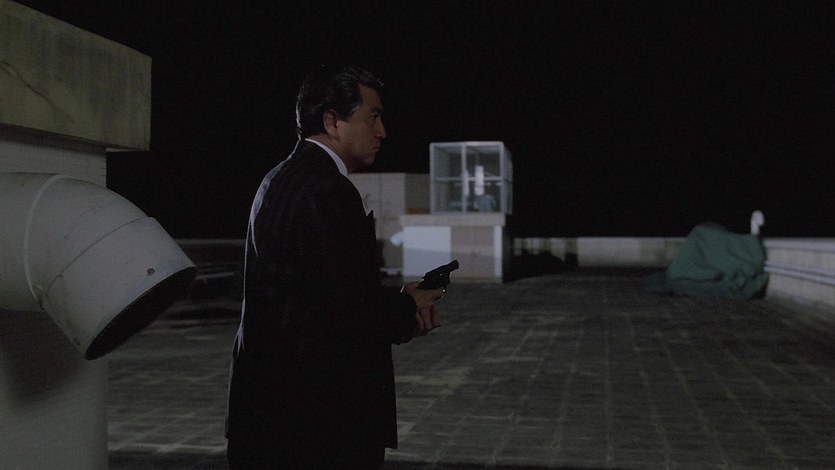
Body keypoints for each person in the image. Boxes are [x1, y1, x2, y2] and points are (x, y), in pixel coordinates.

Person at [225, 65, 444, 469]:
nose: (382, 132)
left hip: (267, 412)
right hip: (318, 424)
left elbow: (313, 294)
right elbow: (348, 314)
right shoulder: (329, 189)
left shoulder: (278, 178)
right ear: (332, 121)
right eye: (373, 117)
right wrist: (408, 307)